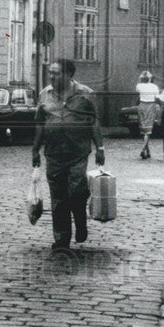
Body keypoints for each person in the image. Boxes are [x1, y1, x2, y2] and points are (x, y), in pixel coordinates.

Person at [32, 58, 105, 252]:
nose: (51, 76)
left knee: (77, 189)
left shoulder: (86, 94)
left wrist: (100, 148)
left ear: (68, 74)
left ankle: (80, 220)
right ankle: (61, 239)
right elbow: (40, 123)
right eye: (50, 73)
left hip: (78, 152)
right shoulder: (44, 94)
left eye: (56, 73)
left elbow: (94, 122)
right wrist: (35, 149)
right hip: (53, 153)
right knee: (58, 197)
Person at [135, 70, 160, 160]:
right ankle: (143, 149)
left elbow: (137, 90)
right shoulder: (154, 87)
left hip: (142, 105)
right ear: (150, 78)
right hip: (150, 106)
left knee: (144, 128)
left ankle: (147, 151)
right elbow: (157, 98)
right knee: (148, 130)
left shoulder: (139, 86)